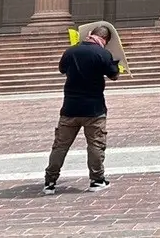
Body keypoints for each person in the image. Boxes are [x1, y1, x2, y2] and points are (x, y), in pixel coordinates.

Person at [44, 24, 120, 195]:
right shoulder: (103, 53)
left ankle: (50, 182)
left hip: (70, 107)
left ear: (90, 34)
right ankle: (97, 180)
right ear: (105, 40)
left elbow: (62, 69)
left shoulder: (71, 51)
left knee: (60, 146)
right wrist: (115, 64)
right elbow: (114, 75)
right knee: (95, 145)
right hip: (94, 108)